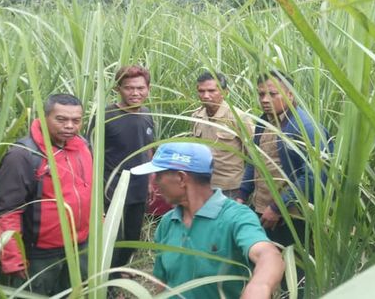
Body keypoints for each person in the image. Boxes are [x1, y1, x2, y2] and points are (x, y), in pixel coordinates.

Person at [131, 142, 284, 299]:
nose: (154, 182)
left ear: (181, 178)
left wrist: (259, 286)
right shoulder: (167, 223)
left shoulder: (236, 217)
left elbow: (268, 255)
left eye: (158, 175)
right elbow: (161, 282)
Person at [0, 94, 92, 296]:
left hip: (80, 247)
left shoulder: (82, 146)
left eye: (76, 120)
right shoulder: (23, 155)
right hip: (40, 254)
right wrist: (12, 257)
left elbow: (89, 191)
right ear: (44, 117)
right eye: (61, 119)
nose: (70, 126)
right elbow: (7, 211)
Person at [236, 70, 332, 247]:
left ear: (289, 94)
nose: (264, 99)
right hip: (260, 209)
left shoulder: (306, 127)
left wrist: (278, 207)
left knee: (292, 266)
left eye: (272, 94)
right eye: (261, 94)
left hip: (290, 215)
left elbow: (314, 175)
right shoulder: (264, 122)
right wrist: (242, 194)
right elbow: (255, 159)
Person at [87, 65, 155, 277]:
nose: (135, 93)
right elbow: (89, 154)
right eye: (129, 88)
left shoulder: (147, 114)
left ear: (148, 89)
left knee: (131, 237)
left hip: (139, 189)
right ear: (118, 89)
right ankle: (108, 282)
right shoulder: (105, 116)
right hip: (111, 190)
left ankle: (118, 272)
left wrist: (151, 181)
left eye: (140, 88)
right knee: (110, 239)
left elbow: (149, 148)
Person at [192, 71, 254, 198]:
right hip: (203, 186)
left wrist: (245, 192)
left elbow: (254, 156)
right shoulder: (196, 117)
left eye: (211, 91)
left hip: (230, 189)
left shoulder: (238, 118)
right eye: (201, 91)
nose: (206, 95)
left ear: (225, 93)